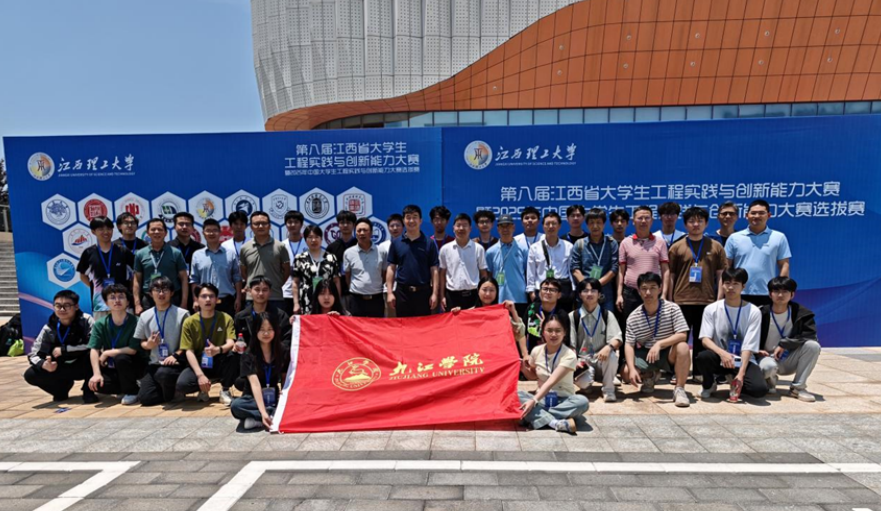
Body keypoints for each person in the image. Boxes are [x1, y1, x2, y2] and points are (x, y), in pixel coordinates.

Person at [667, 207, 727, 376]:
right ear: (685, 224)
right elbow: (671, 275)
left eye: (700, 221)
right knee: (680, 338)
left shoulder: (716, 247)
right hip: (681, 300)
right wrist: (670, 299)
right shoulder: (677, 247)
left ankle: (699, 373)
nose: (696, 224)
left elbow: (721, 275)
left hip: (707, 301)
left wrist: (719, 300)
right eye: (691, 221)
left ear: (706, 223)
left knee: (703, 339)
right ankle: (677, 372)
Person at [695, 268, 768, 400]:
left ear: (743, 286)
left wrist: (741, 374)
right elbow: (705, 339)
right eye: (727, 283)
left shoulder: (753, 311)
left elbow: (748, 346)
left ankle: (733, 378)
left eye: (735, 284)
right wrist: (722, 354)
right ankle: (709, 384)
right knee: (703, 357)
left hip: (742, 360)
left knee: (759, 390)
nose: (730, 287)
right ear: (722, 285)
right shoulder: (711, 309)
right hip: (720, 358)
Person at [623, 272, 691, 407]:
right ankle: (649, 375)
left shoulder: (672, 308)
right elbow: (629, 344)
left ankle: (680, 389)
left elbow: (682, 335)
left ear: (660, 289)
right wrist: (631, 368)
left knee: (683, 347)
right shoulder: (633, 317)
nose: (648, 292)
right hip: (647, 353)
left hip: (668, 352)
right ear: (639, 291)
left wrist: (660, 344)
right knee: (625, 373)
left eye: (653, 288)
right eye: (644, 288)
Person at [518, 312, 588, 434]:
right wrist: (524, 369)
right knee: (515, 395)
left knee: (582, 402)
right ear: (543, 332)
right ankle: (555, 422)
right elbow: (533, 375)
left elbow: (551, 381)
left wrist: (533, 401)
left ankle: (535, 416)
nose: (553, 334)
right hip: (542, 399)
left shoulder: (569, 355)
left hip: (564, 400)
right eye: (549, 330)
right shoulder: (536, 351)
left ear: (564, 333)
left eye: (558, 331)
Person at [24, 290, 96, 403]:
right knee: (30, 375)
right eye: (58, 306)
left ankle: (88, 391)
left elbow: (94, 344)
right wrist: (43, 364)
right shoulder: (49, 327)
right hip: (59, 366)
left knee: (93, 354)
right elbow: (33, 354)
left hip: (83, 364)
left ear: (76, 306)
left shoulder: (86, 320)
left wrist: (65, 350)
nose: (62, 309)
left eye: (67, 305)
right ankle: (60, 390)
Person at [758, 277, 820, 402]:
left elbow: (810, 335)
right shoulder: (760, 313)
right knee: (767, 368)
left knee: (813, 346)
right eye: (776, 291)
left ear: (792, 294)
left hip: (789, 358)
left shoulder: (802, 313)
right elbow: (748, 335)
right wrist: (756, 350)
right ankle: (769, 380)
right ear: (770, 294)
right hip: (765, 357)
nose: (780, 295)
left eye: (785, 291)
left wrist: (784, 344)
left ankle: (798, 388)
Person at [177, 284, 239, 405]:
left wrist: (218, 350)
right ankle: (203, 388)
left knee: (233, 355)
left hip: (220, 359)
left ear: (217, 299)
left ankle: (225, 390)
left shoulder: (225, 318)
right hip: (200, 362)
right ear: (197, 299)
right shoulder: (189, 322)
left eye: (211, 296)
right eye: (204, 296)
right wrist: (200, 375)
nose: (208, 300)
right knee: (183, 385)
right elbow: (188, 351)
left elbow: (231, 342)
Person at [135, 276, 191, 406]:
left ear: (172, 293)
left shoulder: (183, 314)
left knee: (164, 374)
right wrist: (149, 344)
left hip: (176, 362)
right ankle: (168, 391)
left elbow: (188, 343)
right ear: (150, 294)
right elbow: (142, 342)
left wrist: (175, 355)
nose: (161, 293)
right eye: (157, 290)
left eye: (165, 289)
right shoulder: (144, 316)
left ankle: (174, 391)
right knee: (145, 399)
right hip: (155, 363)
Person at [86, 284, 146, 405]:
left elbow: (132, 349)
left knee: (121, 357)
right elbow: (94, 349)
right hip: (113, 366)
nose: (117, 300)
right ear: (106, 302)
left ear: (128, 302)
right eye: (112, 297)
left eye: (121, 297)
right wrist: (97, 374)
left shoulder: (136, 321)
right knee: (99, 384)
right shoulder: (100, 324)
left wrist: (107, 353)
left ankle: (132, 391)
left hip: (135, 363)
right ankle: (124, 388)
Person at [231, 311, 291, 430]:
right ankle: (271, 415)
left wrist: (284, 394)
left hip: (273, 397)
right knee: (236, 406)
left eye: (270, 329)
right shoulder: (248, 354)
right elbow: (255, 384)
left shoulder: (282, 350)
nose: (266, 333)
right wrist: (263, 413)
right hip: (252, 398)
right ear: (255, 331)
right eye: (262, 329)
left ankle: (257, 419)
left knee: (293, 403)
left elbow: (285, 375)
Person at [725, 200, 791, 307]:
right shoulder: (734, 238)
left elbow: (784, 264)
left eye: (761, 213)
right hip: (739, 292)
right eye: (753, 213)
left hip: (767, 293)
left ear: (769, 215)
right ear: (747, 215)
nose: (756, 216)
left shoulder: (779, 237)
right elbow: (726, 266)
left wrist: (780, 290)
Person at [568, 278, 622, 402]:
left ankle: (608, 390)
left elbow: (617, 338)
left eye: (593, 290)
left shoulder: (607, 315)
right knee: (583, 382)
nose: (589, 294)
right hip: (583, 361)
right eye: (585, 291)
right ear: (580, 294)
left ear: (599, 294)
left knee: (612, 355)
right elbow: (571, 345)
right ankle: (586, 387)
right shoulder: (573, 316)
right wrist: (574, 361)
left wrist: (608, 347)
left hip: (602, 359)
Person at [617, 206, 670, 330]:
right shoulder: (625, 242)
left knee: (654, 328)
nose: (643, 221)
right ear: (633, 221)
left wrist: (664, 294)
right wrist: (619, 294)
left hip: (653, 292)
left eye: (647, 218)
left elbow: (665, 270)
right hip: (631, 293)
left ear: (652, 221)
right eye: (640, 218)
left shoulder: (660, 242)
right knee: (629, 328)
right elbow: (621, 271)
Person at [386, 205, 440, 317]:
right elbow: (391, 268)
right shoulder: (396, 243)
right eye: (408, 217)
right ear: (403, 220)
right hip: (402, 293)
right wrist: (390, 292)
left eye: (415, 217)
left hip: (423, 293)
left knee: (423, 325)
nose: (411, 221)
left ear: (420, 220)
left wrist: (435, 293)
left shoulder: (429, 243)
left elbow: (434, 269)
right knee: (403, 325)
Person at [77, 216, 134, 321]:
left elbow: (134, 276)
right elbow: (83, 276)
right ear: (93, 231)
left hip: (123, 304)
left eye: (109, 228)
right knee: (102, 330)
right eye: (101, 229)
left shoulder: (123, 251)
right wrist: (97, 287)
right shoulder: (88, 253)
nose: (106, 232)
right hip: (100, 305)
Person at [450, 277, 527, 355]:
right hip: (476, 356)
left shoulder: (501, 314)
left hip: (497, 355)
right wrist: (456, 315)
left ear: (497, 292)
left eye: (492, 290)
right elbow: (455, 335)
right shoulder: (470, 313)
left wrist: (513, 311)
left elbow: (519, 333)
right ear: (478, 291)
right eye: (484, 290)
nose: (488, 294)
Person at [133, 218, 189, 314]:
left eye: (160, 229)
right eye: (153, 229)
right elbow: (137, 280)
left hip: (172, 298)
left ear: (166, 233)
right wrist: (137, 304)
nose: (156, 232)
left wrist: (184, 303)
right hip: (149, 299)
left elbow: (184, 279)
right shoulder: (140, 254)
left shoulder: (176, 253)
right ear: (148, 233)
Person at [190, 219, 243, 317]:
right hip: (205, 301)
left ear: (220, 232)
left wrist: (238, 299)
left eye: (214, 230)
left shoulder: (230, 254)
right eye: (208, 230)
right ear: (203, 233)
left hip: (226, 301)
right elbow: (194, 280)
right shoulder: (197, 255)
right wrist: (196, 300)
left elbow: (237, 278)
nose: (211, 233)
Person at [240, 211, 291, 311]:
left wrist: (276, 284)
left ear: (270, 226)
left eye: (264, 223)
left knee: (276, 322)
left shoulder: (280, 246)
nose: (260, 226)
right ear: (251, 227)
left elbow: (286, 270)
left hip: (275, 297)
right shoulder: (245, 248)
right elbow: (244, 272)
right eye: (256, 224)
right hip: (252, 298)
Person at [570, 208, 619, 312]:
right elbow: (575, 268)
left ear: (604, 224)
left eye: (598, 222)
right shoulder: (580, 244)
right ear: (587, 225)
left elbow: (614, 268)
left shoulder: (612, 243)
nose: (595, 226)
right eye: (591, 223)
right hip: (584, 295)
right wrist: (588, 287)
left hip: (605, 295)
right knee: (583, 321)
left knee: (606, 320)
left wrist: (597, 285)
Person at [439, 213, 488, 311]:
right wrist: (442, 296)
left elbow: (483, 274)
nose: (461, 228)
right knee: (453, 321)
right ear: (453, 228)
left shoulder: (478, 249)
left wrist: (483, 294)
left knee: (474, 321)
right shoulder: (445, 249)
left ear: (470, 229)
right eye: (458, 225)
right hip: (452, 296)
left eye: (465, 225)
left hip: (473, 295)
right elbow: (442, 274)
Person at [486, 214, 530, 320]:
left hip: (519, 297)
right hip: (499, 298)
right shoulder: (491, 252)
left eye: (508, 226)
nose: (505, 229)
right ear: (498, 229)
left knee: (519, 328)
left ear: (513, 227)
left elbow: (528, 273)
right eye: (502, 226)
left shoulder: (523, 249)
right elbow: (489, 275)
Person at [527, 212, 573, 310]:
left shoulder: (568, 246)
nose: (551, 226)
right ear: (543, 226)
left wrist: (573, 291)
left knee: (562, 319)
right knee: (541, 319)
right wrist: (531, 292)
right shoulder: (534, 248)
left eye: (554, 223)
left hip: (562, 293)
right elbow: (531, 272)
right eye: (547, 224)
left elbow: (571, 271)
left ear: (559, 226)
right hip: (542, 292)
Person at [292, 225, 341, 315]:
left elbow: (336, 281)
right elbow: (295, 282)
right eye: (310, 237)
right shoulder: (300, 258)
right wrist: (296, 303)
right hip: (307, 299)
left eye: (316, 237)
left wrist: (338, 301)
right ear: (305, 240)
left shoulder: (331, 258)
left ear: (321, 239)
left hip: (327, 298)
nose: (313, 240)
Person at [343, 218, 386, 317]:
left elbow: (384, 274)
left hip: (376, 299)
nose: (362, 233)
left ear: (371, 232)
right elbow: (348, 276)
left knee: (376, 325)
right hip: (356, 299)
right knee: (355, 326)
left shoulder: (381, 251)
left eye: (365, 230)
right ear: (355, 233)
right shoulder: (348, 253)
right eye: (359, 230)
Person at [235, 277, 292, 351]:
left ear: (270, 292)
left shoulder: (280, 316)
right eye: (257, 289)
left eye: (265, 290)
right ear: (250, 291)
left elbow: (286, 340)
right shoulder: (240, 317)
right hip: (248, 355)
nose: (261, 293)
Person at [326, 210, 358, 312]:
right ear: (338, 225)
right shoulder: (332, 247)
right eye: (342, 223)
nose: (345, 225)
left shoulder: (359, 245)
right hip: (338, 293)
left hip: (358, 292)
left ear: (354, 225)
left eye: (348, 223)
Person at [525, 278, 563, 353]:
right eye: (545, 289)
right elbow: (522, 333)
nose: (548, 292)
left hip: (554, 354)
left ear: (559, 295)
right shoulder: (532, 308)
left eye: (552, 290)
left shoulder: (561, 315)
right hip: (532, 354)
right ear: (539, 293)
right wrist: (525, 354)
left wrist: (546, 328)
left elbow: (563, 342)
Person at [282, 210, 308, 315]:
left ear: (301, 224)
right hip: (285, 292)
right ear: (285, 224)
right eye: (289, 222)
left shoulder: (309, 245)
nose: (292, 225)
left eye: (296, 222)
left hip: (305, 291)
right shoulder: (281, 246)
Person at [380, 213, 404, 318]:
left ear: (403, 226)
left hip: (404, 289)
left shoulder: (408, 244)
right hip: (389, 290)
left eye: (398, 225)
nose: (395, 228)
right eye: (392, 226)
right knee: (391, 320)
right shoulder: (382, 246)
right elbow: (381, 270)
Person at [169, 212, 205, 278]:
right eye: (181, 224)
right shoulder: (168, 247)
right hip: (173, 283)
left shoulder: (201, 248)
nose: (184, 227)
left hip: (195, 283)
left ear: (193, 227)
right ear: (174, 226)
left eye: (188, 224)